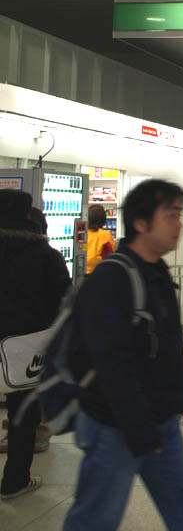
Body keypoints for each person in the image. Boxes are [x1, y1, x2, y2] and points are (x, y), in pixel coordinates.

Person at [62, 179, 183, 530]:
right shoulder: (112, 279)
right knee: (96, 518)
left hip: (160, 421)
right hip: (114, 426)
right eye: (170, 215)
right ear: (140, 223)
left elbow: (163, 347)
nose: (180, 223)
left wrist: (176, 399)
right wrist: (139, 429)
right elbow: (111, 364)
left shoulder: (157, 273)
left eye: (180, 214)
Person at [0, 190, 70, 500]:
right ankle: (14, 480)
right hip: (26, 347)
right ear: (28, 216)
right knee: (23, 412)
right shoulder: (45, 254)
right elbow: (64, 298)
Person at [85, 204, 115, 275]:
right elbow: (110, 256)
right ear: (103, 218)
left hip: (81, 272)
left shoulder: (83, 233)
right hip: (98, 273)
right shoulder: (106, 235)